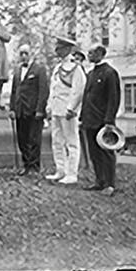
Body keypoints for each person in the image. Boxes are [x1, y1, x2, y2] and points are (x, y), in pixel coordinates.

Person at [79, 45, 121, 195]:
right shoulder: (90, 74)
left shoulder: (110, 73)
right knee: (94, 153)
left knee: (107, 153)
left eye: (92, 52)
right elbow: (86, 98)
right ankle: (99, 181)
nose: (89, 54)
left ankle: (110, 184)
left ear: (101, 54)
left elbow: (113, 98)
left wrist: (109, 120)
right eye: (88, 52)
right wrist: (82, 117)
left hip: (103, 122)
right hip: (90, 120)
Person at [46, 37, 87, 184]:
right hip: (56, 109)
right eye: (57, 47)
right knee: (57, 141)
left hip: (67, 110)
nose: (57, 50)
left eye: (60, 48)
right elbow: (53, 89)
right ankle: (60, 170)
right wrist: (49, 107)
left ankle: (71, 174)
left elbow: (78, 90)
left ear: (68, 49)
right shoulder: (58, 67)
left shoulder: (76, 67)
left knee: (72, 142)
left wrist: (72, 108)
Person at [8, 44, 50, 176]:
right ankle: (26, 164)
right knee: (22, 139)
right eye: (21, 53)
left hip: (33, 111)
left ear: (31, 54)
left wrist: (40, 109)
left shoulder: (39, 69)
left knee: (34, 139)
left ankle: (34, 166)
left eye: (26, 53)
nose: (24, 56)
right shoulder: (17, 70)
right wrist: (12, 108)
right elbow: (14, 91)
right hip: (20, 110)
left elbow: (43, 91)